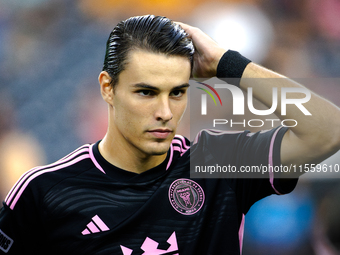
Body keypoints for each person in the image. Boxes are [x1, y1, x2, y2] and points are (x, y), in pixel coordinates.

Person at [0, 15, 339, 255]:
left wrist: (227, 64)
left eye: (177, 92)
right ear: (108, 88)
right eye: (146, 92)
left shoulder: (218, 165)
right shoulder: (43, 193)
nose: (164, 111)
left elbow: (328, 131)